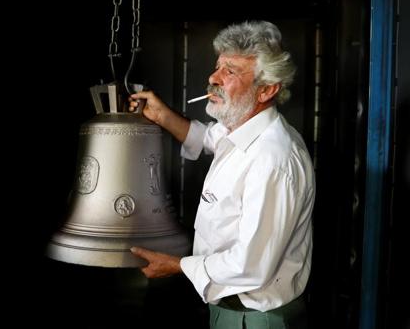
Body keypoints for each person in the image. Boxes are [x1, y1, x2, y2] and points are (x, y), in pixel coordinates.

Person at [128, 20, 315, 329]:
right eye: (218, 67)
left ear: (267, 89)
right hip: (230, 311)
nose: (213, 78)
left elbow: (251, 265)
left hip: (255, 320)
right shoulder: (242, 128)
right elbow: (208, 138)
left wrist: (176, 266)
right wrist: (161, 115)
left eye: (230, 71)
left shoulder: (273, 158)